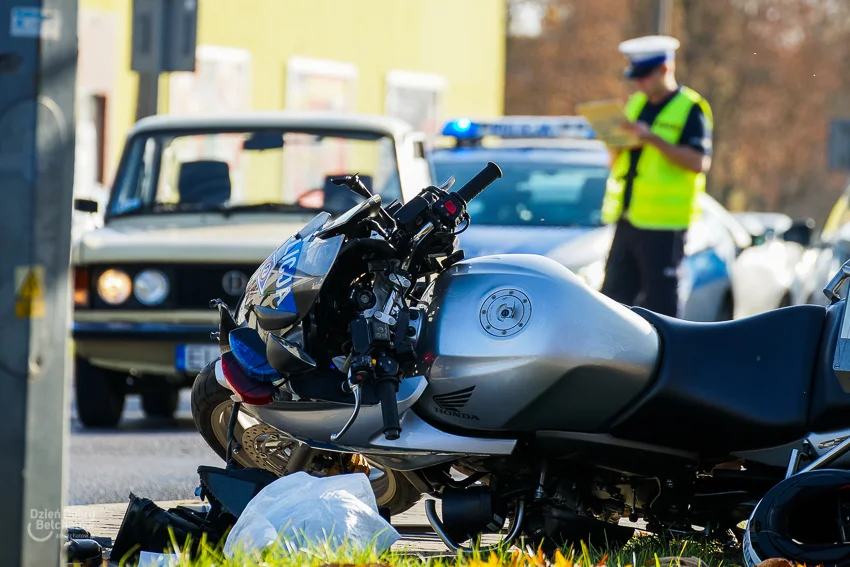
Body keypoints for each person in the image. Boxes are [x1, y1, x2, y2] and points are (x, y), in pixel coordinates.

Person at [599, 35, 714, 318]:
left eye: (644, 77)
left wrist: (653, 139)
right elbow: (618, 162)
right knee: (613, 299)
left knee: (660, 304)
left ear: (665, 69)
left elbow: (699, 161)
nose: (638, 84)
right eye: (635, 78)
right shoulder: (637, 104)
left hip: (664, 225)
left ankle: (666, 360)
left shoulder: (691, 107)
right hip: (628, 218)